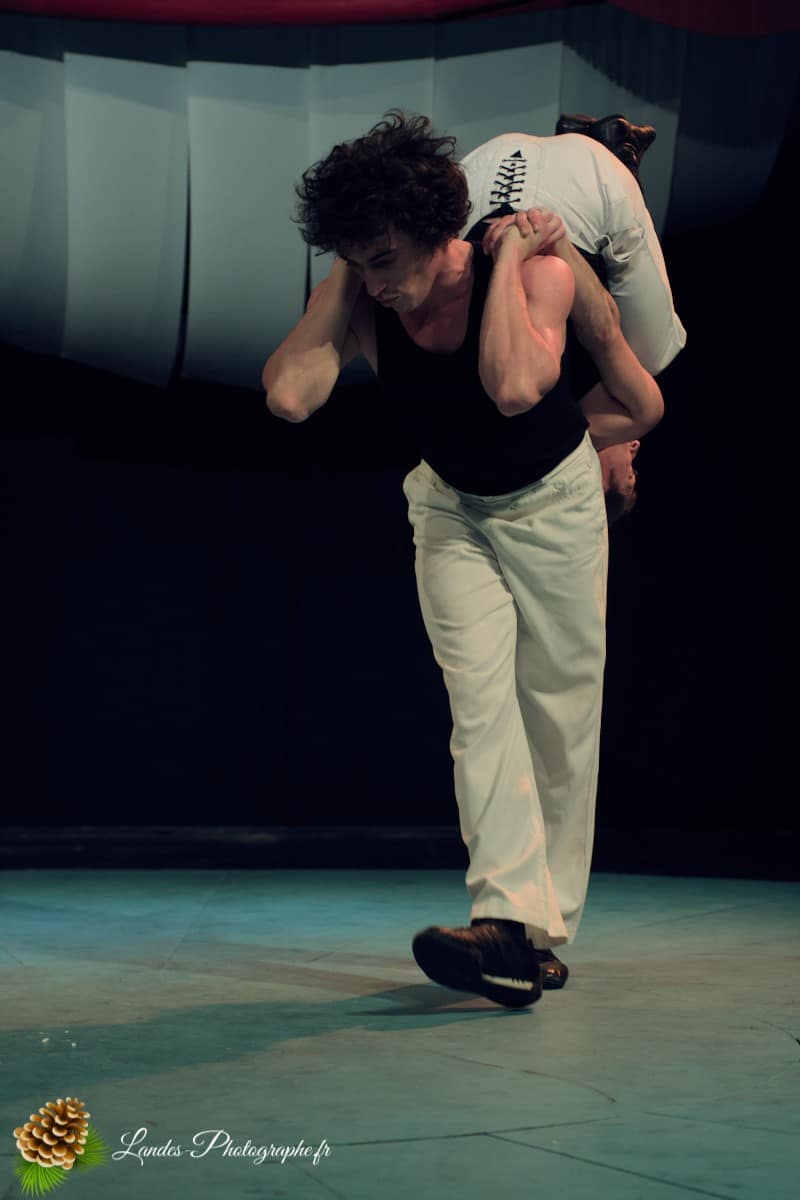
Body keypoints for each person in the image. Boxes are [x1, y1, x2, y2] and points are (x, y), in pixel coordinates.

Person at [262, 111, 663, 1009]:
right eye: (359, 260)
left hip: (554, 505)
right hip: (450, 508)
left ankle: (535, 935)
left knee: (557, 715)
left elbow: (516, 388)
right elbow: (290, 398)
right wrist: (347, 274)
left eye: (385, 258)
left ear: (435, 230)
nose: (380, 283)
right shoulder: (366, 291)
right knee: (481, 707)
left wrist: (511, 261)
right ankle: (504, 924)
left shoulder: (537, 270)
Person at [459, 117, 686, 522]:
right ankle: (605, 154)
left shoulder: (569, 433)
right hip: (481, 173)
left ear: (585, 484)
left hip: (572, 180)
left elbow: (604, 329)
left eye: (627, 476)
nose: (635, 451)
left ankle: (619, 153)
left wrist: (548, 236)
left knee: (654, 355)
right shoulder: (548, 420)